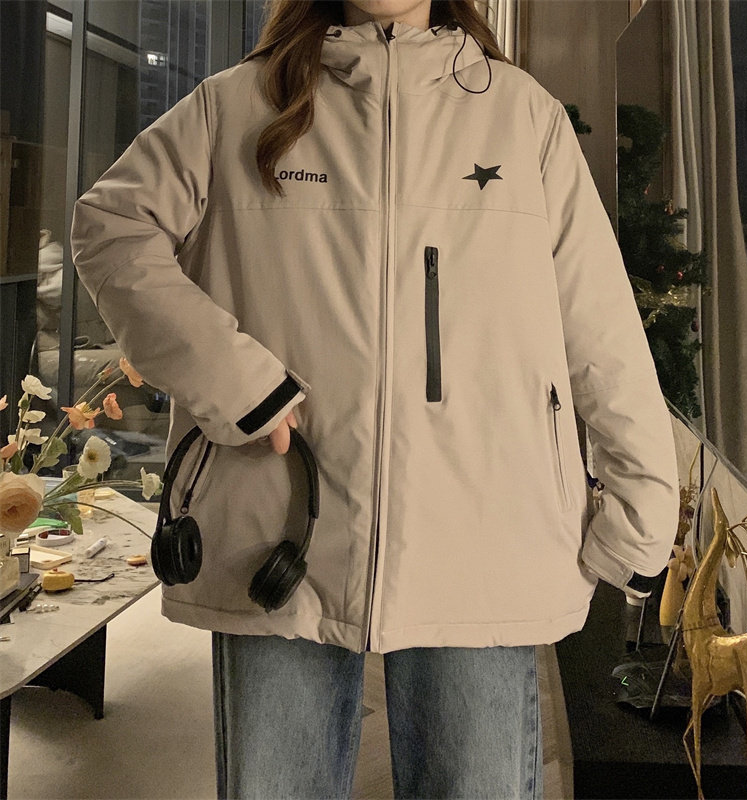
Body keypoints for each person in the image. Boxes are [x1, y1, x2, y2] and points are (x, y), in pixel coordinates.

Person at [70, 0, 680, 797]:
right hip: (277, 533)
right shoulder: (236, 105)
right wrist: (240, 385)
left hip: (484, 535)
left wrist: (641, 510)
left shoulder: (522, 116)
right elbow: (111, 227)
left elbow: (599, 324)